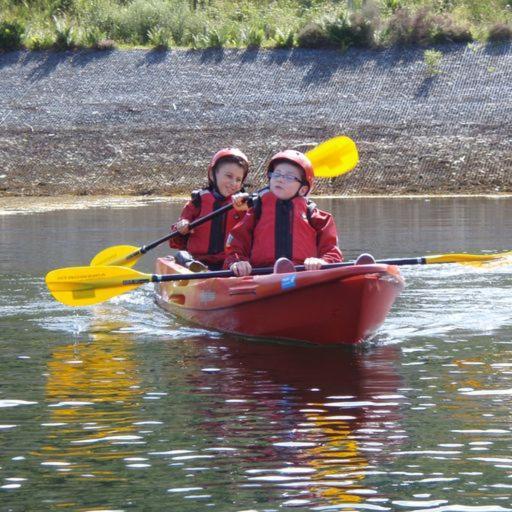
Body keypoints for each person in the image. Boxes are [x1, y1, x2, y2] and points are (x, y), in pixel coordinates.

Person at [224, 149, 343, 276]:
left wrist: (322, 262)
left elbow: (331, 251)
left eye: (289, 177)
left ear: (303, 190)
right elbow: (236, 244)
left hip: (304, 274)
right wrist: (238, 262)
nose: (280, 179)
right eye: (277, 174)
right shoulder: (256, 211)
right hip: (262, 275)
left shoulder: (315, 216)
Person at [170, 148, 250, 270]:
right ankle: (195, 269)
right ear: (213, 175)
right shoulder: (198, 202)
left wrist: (249, 205)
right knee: (180, 255)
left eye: (238, 179)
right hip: (196, 260)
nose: (233, 183)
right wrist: (181, 227)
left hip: (230, 263)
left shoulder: (245, 204)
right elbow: (175, 241)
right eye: (229, 176)